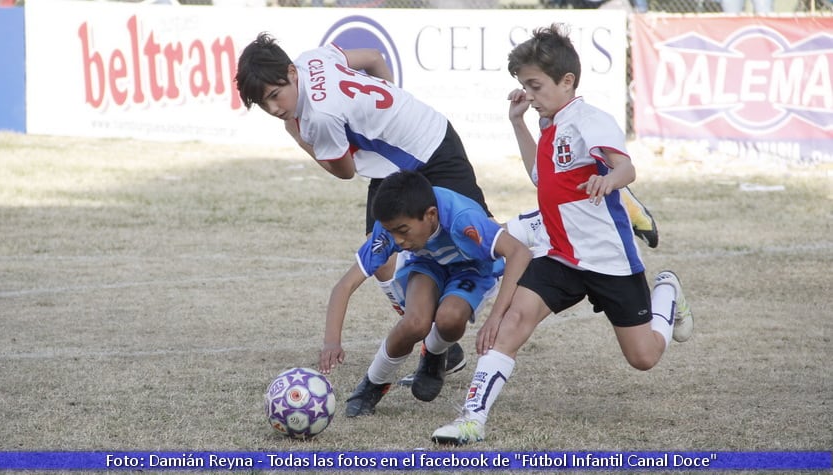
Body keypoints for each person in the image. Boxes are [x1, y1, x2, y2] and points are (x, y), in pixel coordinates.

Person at [431, 23, 694, 445]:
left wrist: (610, 181)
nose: (529, 95)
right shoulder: (550, 125)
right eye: (523, 86)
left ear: (566, 81)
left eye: (534, 86)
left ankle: (667, 289)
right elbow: (541, 176)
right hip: (559, 256)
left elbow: (625, 167)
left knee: (643, 357)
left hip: (608, 259)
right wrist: (519, 123)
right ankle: (471, 420)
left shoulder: (590, 120)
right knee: (512, 323)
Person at [235, 33, 493, 371]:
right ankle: (431, 334)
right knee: (381, 254)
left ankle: (508, 308)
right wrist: (393, 106)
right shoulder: (313, 57)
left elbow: (344, 171)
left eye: (275, 95)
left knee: (483, 240)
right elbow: (372, 56)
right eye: (264, 104)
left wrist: (299, 138)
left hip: (431, 146)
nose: (274, 108)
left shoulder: (320, 117)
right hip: (393, 162)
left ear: (291, 73)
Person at [318, 171, 532, 417]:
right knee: (415, 323)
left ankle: (434, 353)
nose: (398, 240)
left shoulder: (464, 219)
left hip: (472, 269)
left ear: (431, 215)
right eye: (392, 233)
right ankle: (373, 384)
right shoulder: (390, 229)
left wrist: (496, 318)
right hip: (427, 264)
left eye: (403, 231)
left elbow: (519, 253)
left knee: (450, 318)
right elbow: (344, 286)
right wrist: (331, 341)